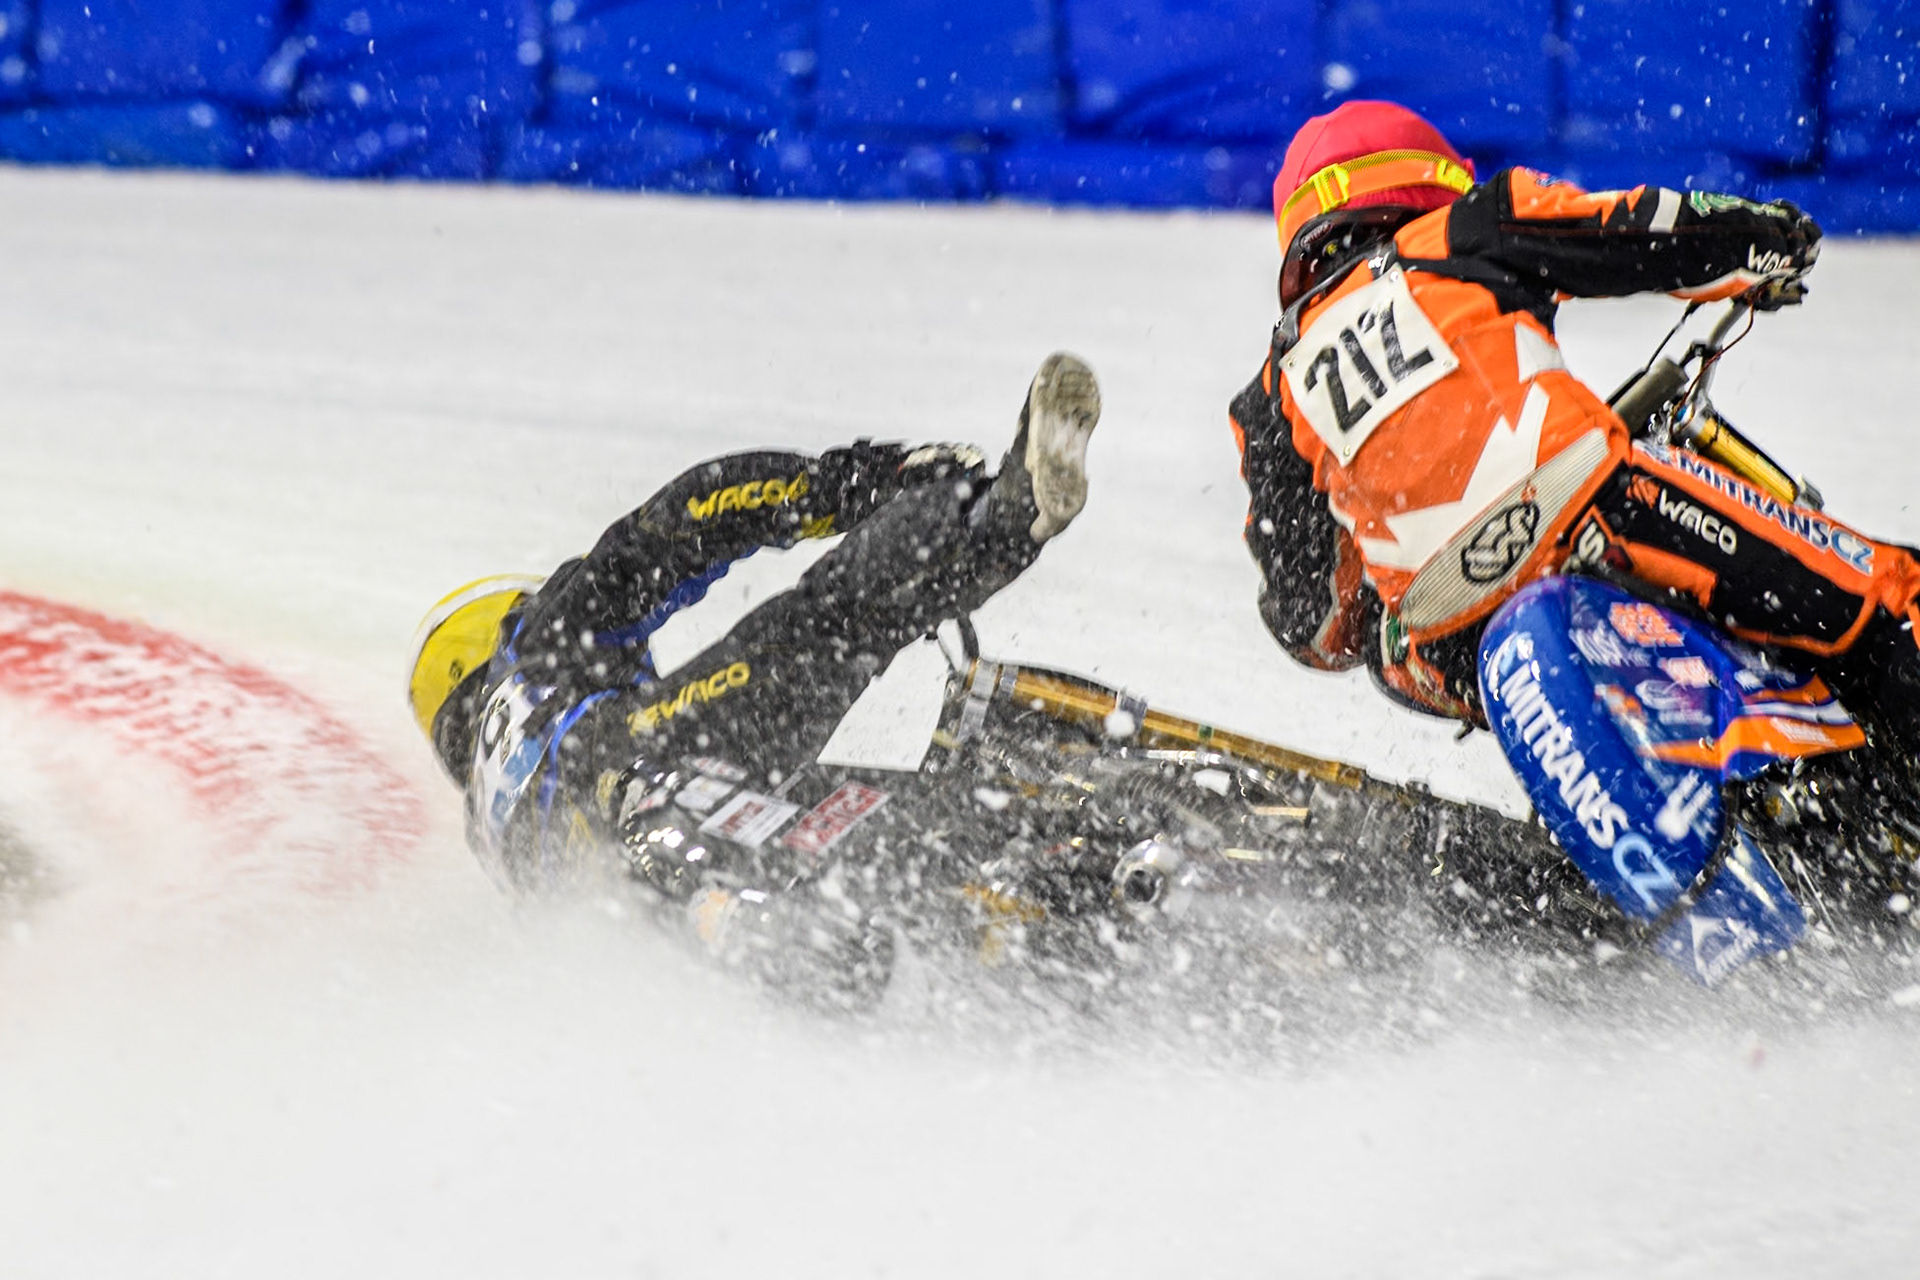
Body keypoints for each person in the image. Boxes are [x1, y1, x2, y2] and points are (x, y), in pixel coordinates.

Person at [406, 353, 1100, 1003]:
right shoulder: (534, 641)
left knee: (791, 817)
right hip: (658, 763)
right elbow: (671, 528)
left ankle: (817, 917)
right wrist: (855, 482)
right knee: (832, 620)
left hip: (677, 897)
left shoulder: (504, 854)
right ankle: (1004, 518)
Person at [1231, 99, 1920, 751]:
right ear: (1428, 180)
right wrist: (1766, 242)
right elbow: (1639, 228)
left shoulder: (1273, 387)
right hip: (1588, 504)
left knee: (1397, 656)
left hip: (1443, 637)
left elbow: (1310, 623)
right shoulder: (1459, 231)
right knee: (1885, 594)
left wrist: (1388, 628)